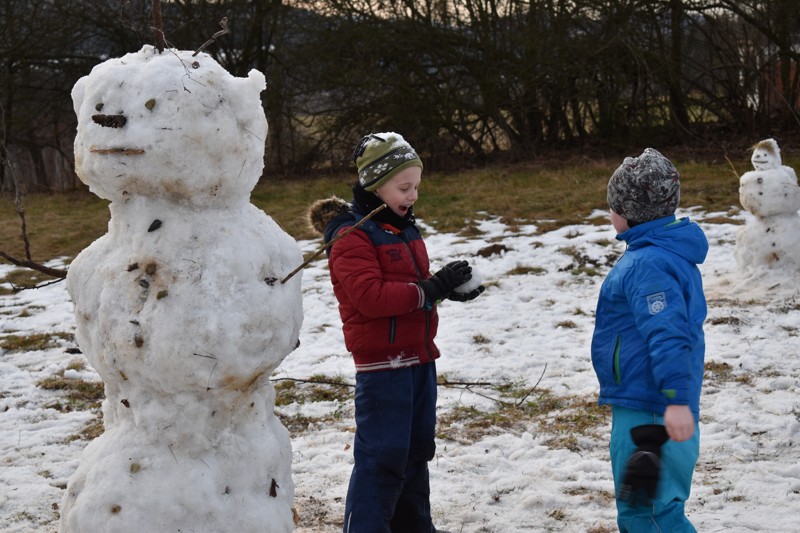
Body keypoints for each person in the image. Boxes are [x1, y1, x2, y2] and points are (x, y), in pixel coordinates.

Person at [306, 132, 484, 532]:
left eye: (417, 186)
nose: (413, 195)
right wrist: (430, 289)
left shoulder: (403, 229)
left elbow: (412, 289)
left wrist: (445, 290)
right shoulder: (352, 237)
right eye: (404, 187)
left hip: (419, 359)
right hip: (383, 367)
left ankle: (414, 526)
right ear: (375, 185)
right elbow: (371, 298)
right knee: (383, 456)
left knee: (416, 451)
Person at [590, 148, 708, 532]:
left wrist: (674, 402)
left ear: (628, 212)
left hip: (654, 412)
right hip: (648, 403)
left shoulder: (649, 265)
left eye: (613, 205)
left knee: (651, 515)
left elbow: (669, 335)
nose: (610, 212)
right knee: (648, 511)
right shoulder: (659, 254)